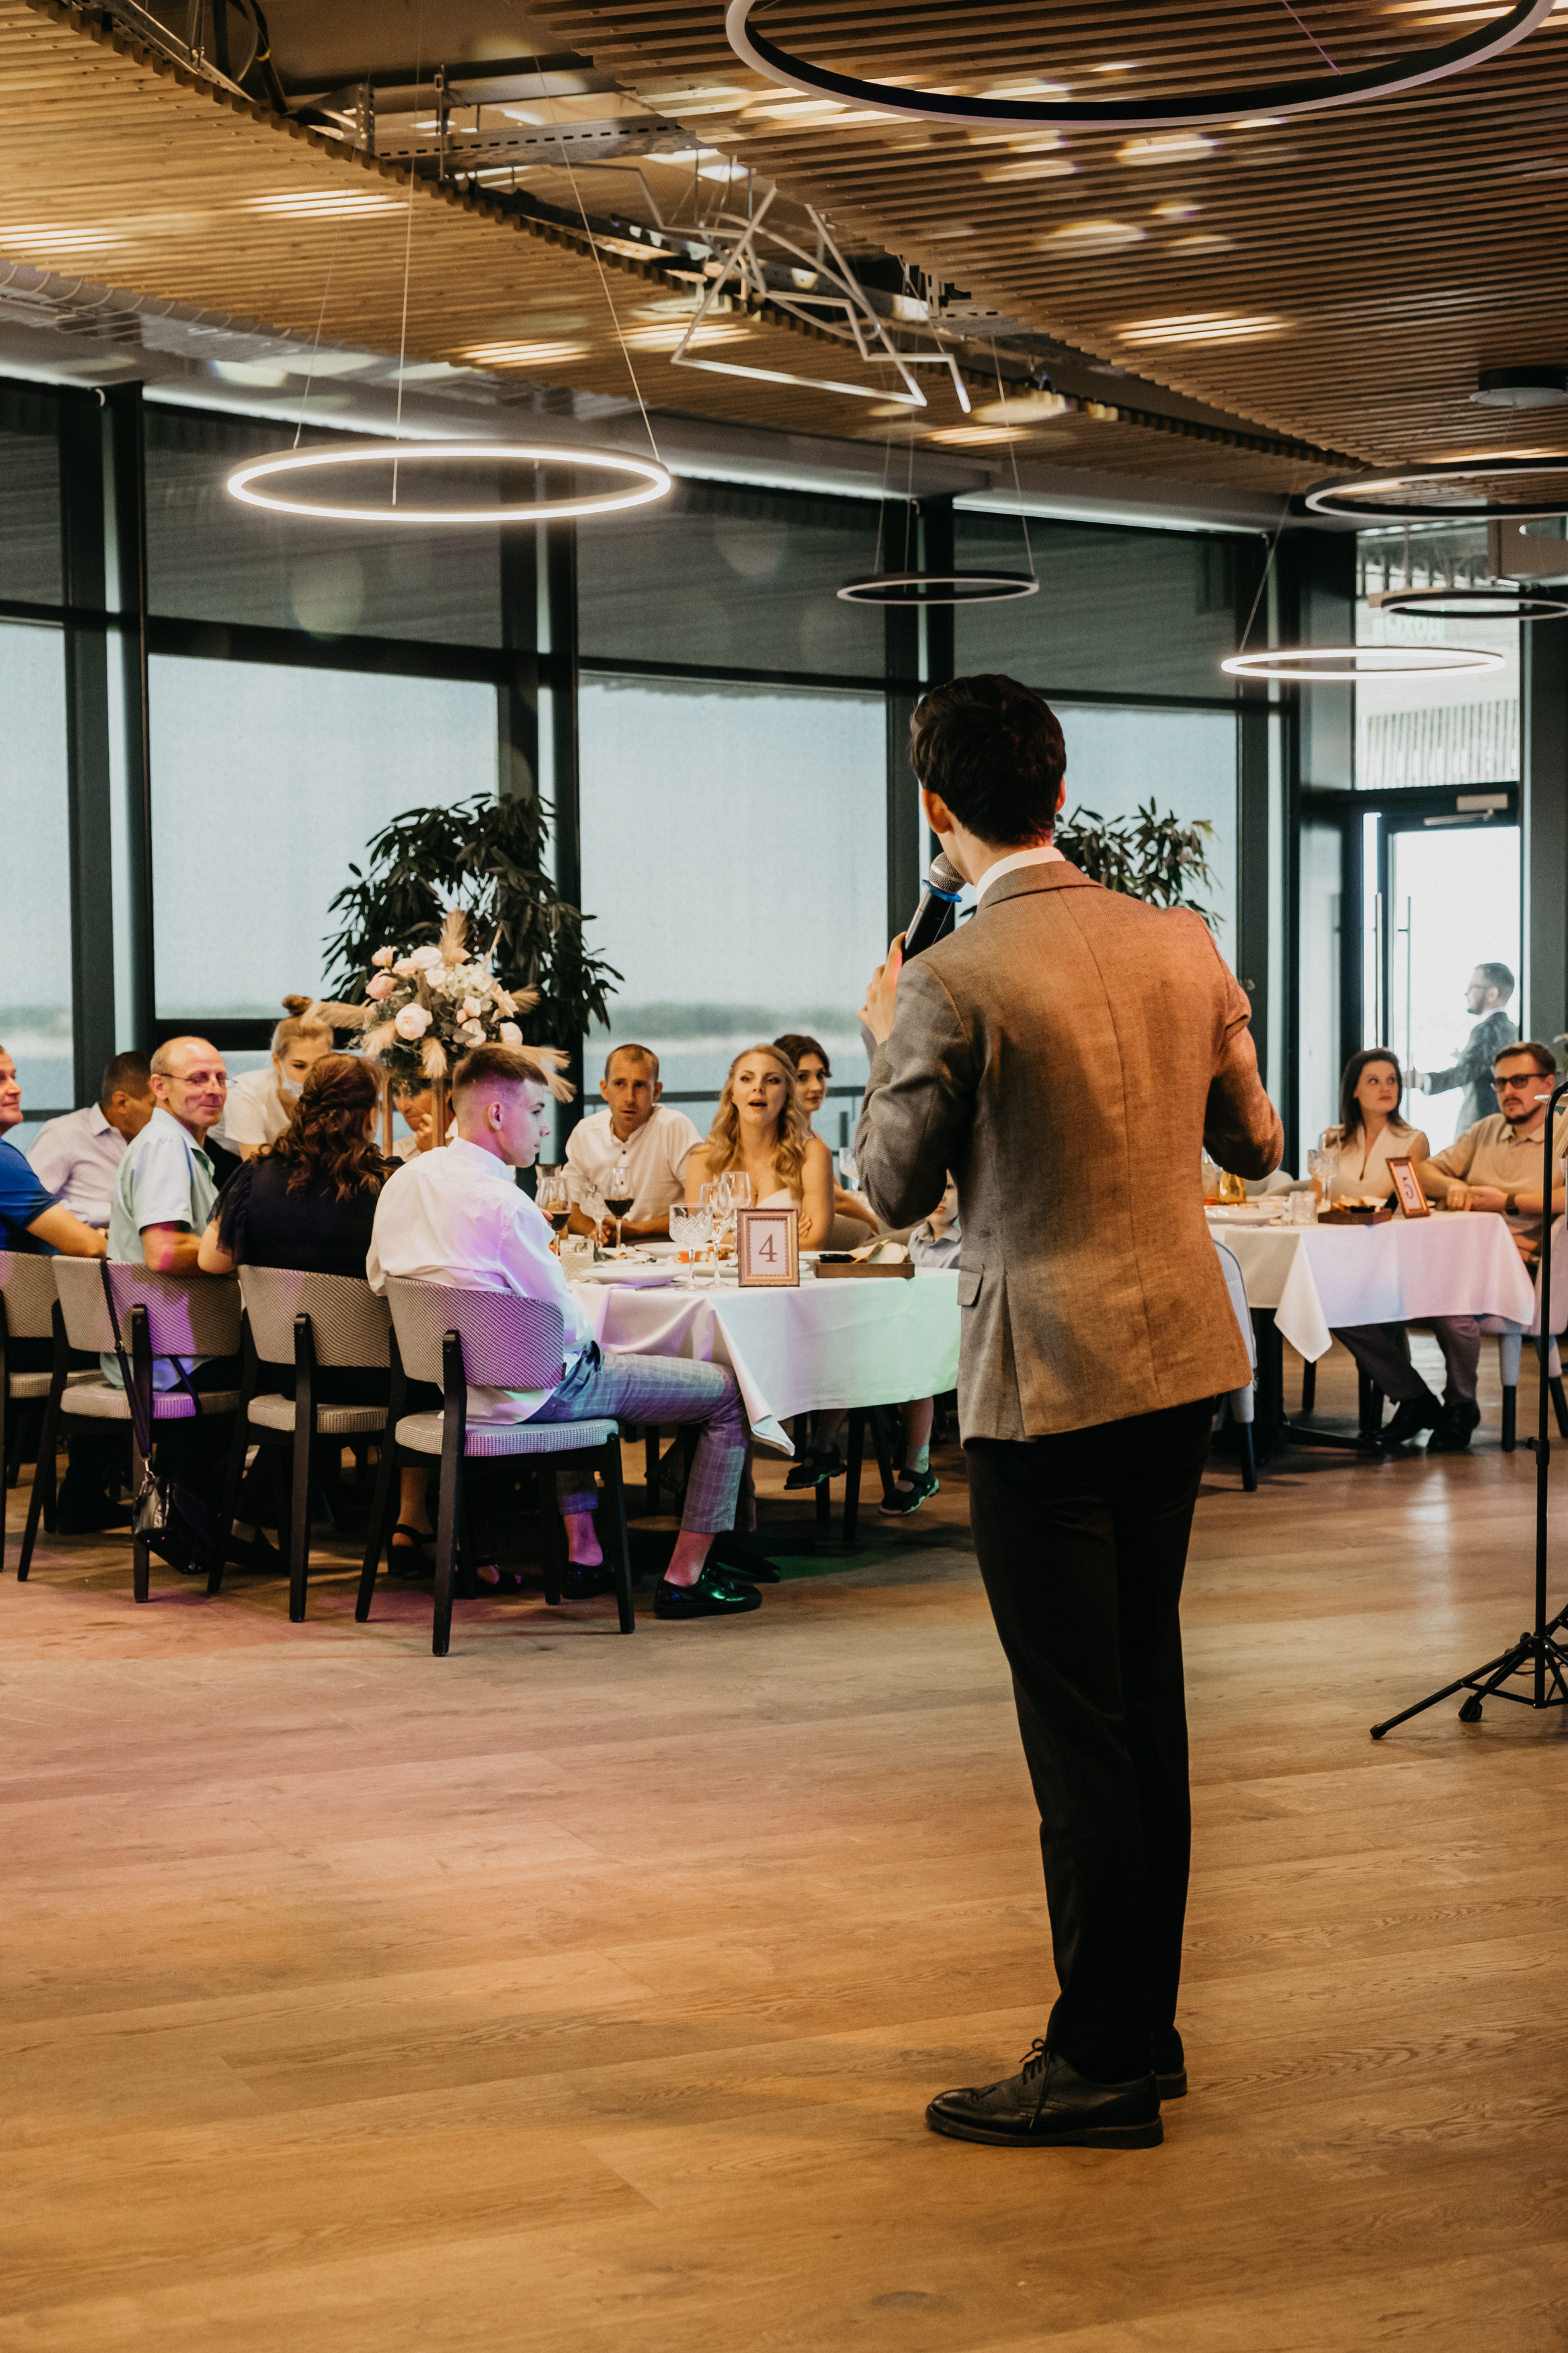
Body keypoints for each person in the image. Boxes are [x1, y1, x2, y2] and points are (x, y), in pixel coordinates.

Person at [856, 672, 1281, 2151]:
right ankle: (1138, 2029)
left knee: (1075, 1728)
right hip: (1178, 1362)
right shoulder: (1178, 939)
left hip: (1040, 1379)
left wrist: (878, 1030)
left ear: (934, 807)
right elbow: (1252, 1134)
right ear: (1056, 782)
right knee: (1141, 1701)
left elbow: (891, 1186)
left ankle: (1095, 2058)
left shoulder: (950, 978)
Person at [367, 1043, 759, 1621]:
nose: (545, 1127)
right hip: (531, 1396)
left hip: (452, 1394)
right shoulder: (505, 1204)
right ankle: (686, 1576)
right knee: (729, 1392)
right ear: (497, 1115)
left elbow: (380, 1280)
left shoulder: (405, 1180)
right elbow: (565, 1327)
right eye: (535, 1112)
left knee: (559, 1367)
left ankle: (585, 1551)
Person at [198, 1055, 435, 1566]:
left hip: (284, 1370)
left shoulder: (253, 1175)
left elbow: (210, 1260)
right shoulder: (388, 1185)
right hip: (380, 1378)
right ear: (369, 1114)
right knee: (431, 1372)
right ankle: (411, 1520)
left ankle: (259, 1510)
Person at [107, 1035, 271, 1562]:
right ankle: (231, 1516)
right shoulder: (163, 1147)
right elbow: (161, 1251)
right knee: (301, 1375)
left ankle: (222, 1515)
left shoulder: (182, 1145)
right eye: (198, 1079)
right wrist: (241, 1251)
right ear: (159, 1088)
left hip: (163, 1343)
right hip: (168, 1355)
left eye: (221, 1078)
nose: (214, 1089)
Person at [1318, 1050, 1481, 1451]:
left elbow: (1410, 1201)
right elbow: (1317, 1199)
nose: (1386, 1088)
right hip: (1343, 1259)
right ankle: (1415, 1398)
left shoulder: (1413, 1141)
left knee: (1453, 1318)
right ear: (1354, 1090)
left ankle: (1457, 1405)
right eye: (1373, 1081)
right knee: (1334, 1309)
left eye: (1391, 1080)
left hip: (1398, 1261)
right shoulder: (1332, 1139)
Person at [0, 1043, 122, 1531]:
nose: (17, 1086)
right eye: (2, 1079)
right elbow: (86, 1247)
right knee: (134, 1350)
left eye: (14, 1074)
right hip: (20, 1343)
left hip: (11, 1337)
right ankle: (91, 1498)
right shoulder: (4, 1161)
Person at [686, 1045, 835, 1248]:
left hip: (795, 1279)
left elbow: (814, 1243)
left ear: (786, 1096)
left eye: (772, 1080)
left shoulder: (813, 1154)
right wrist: (783, 1235)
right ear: (732, 1094)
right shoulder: (702, 1159)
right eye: (747, 1079)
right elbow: (696, 1238)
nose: (758, 1087)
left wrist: (726, 1235)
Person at [879, 1174, 964, 1517]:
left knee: (914, 1360)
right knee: (862, 1349)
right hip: (917, 1326)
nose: (940, 1198)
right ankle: (824, 1445)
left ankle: (918, 1467)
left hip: (950, 1333)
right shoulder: (917, 1237)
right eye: (934, 1188)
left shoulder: (967, 1241)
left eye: (950, 1189)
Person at [566, 1043, 699, 1242]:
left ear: (656, 1091)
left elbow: (701, 1210)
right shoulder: (585, 1132)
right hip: (608, 1255)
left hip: (665, 1255)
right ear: (604, 1089)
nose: (629, 1098)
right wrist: (597, 1232)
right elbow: (569, 1204)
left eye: (640, 1085)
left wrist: (640, 1229)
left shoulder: (674, 1128)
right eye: (620, 1084)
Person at [28, 1052, 155, 1228]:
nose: (166, 1113)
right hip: (83, 1251)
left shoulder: (162, 1141)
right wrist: (113, 1212)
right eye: (155, 1104)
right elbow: (30, 1208)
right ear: (122, 1103)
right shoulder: (64, 1133)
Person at [774, 1033, 879, 1242]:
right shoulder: (786, 1139)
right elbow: (837, 1200)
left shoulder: (812, 1135)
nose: (816, 1087)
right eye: (802, 1078)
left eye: (820, 1075)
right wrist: (874, 1224)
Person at [206, 997, 336, 1164]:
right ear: (277, 1062)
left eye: (320, 1065)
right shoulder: (245, 1092)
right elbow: (256, 1166)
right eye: (299, 1066)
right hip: (227, 1159)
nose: (311, 1076)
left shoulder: (333, 1093)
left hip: (282, 1160)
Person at [1406, 961, 1518, 1135]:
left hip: (1478, 1126)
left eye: (1474, 987)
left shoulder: (1486, 1030)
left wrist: (1424, 1081)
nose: (1466, 993)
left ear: (1493, 994)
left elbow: (1466, 1070)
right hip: (1499, 1124)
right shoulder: (1510, 1029)